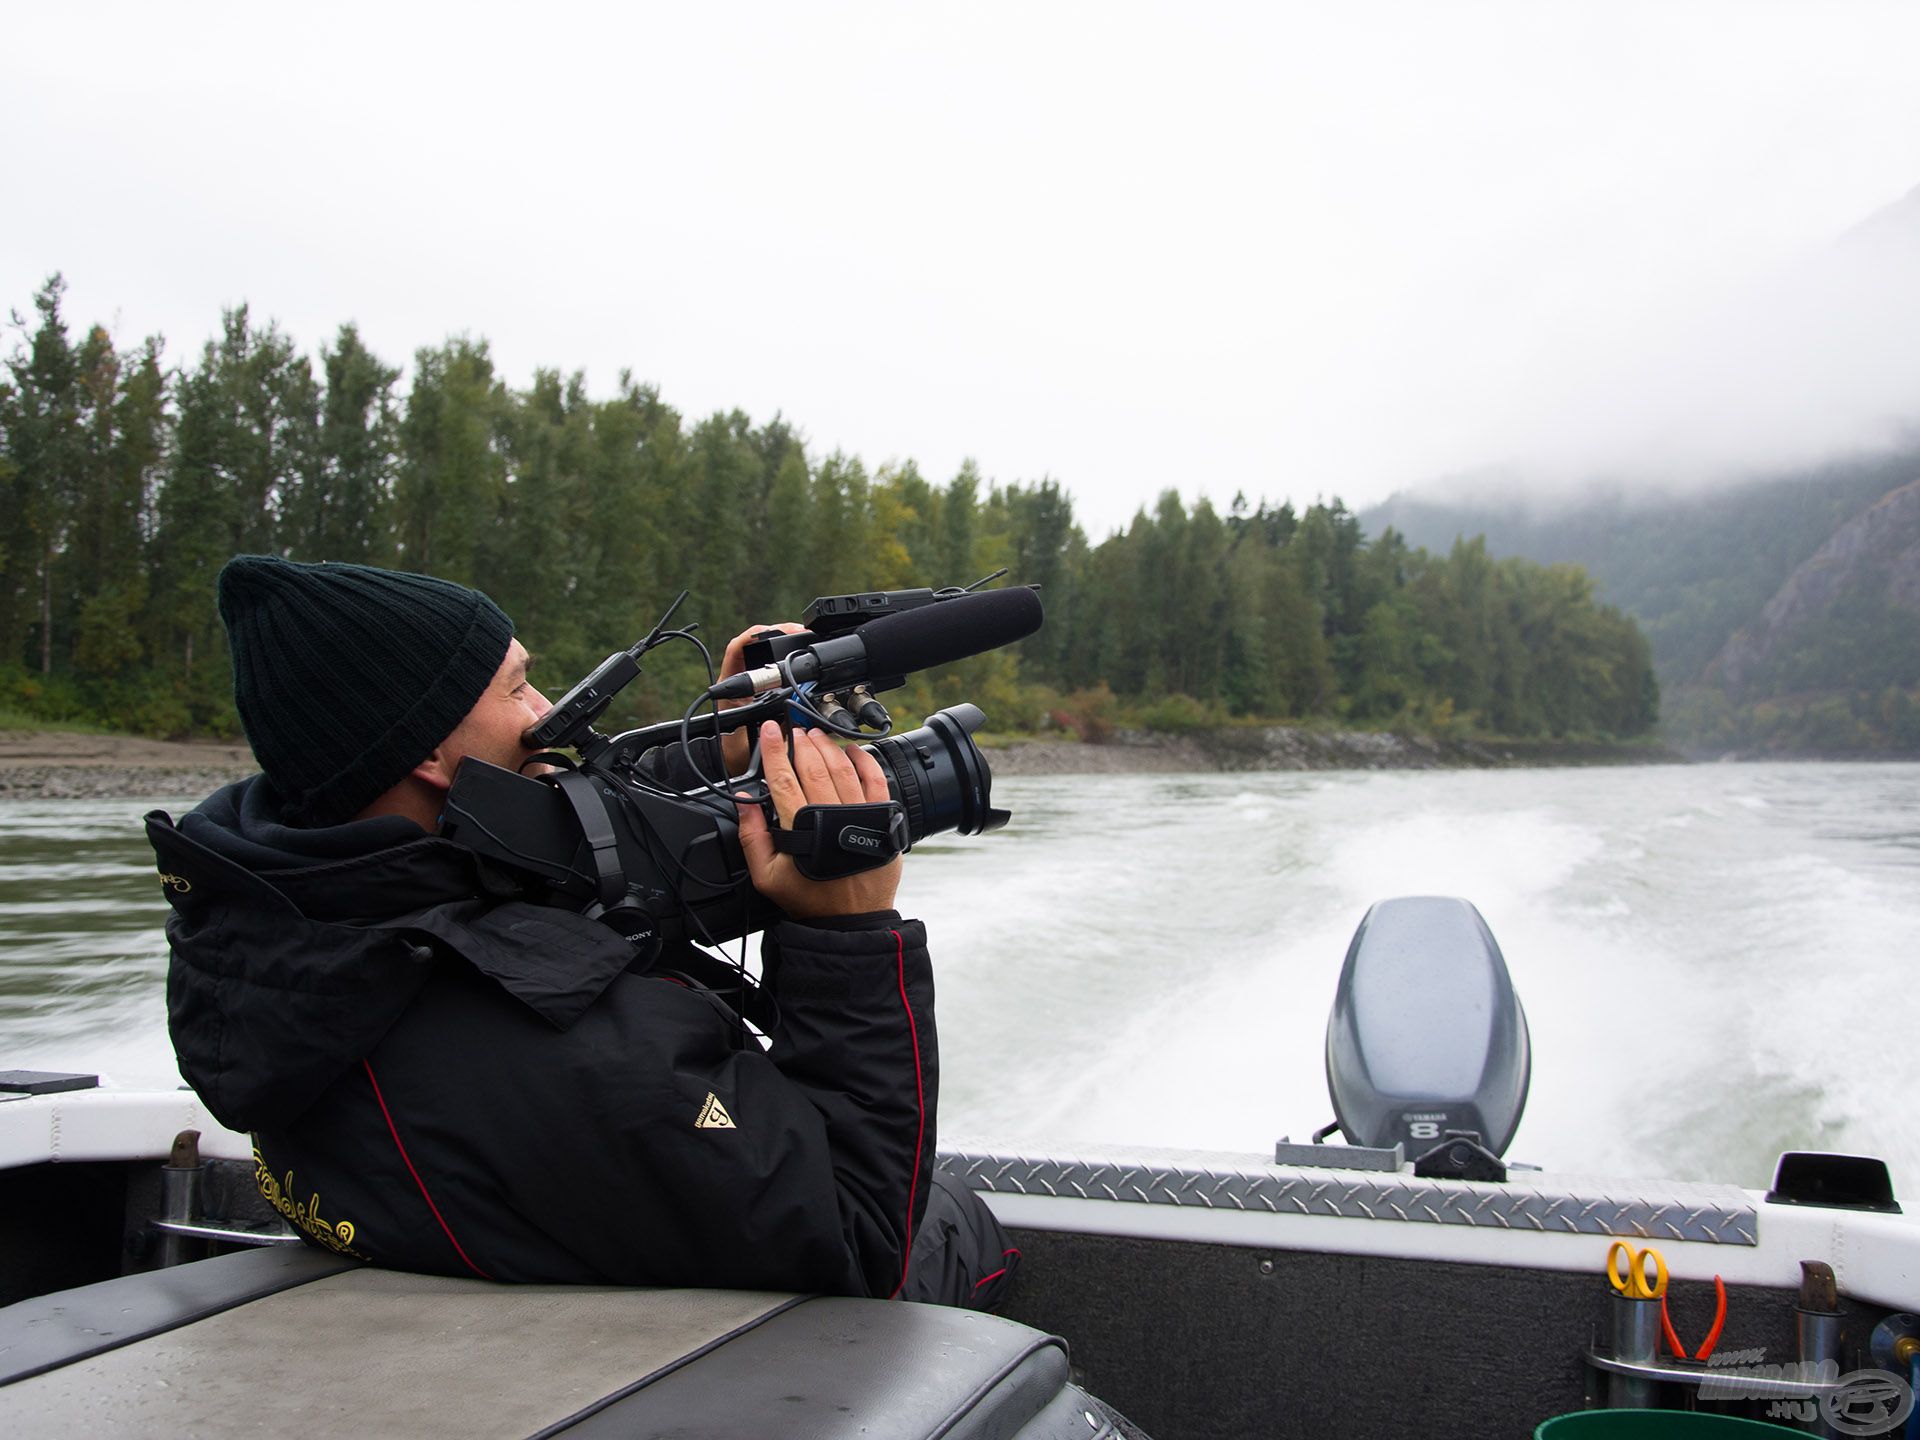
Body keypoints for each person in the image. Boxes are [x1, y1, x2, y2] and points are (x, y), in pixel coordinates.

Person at [146, 555, 1016, 1308]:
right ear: (426, 755)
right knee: (960, 1221)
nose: (546, 706)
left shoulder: (285, 918)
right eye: (517, 685)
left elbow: (551, 835)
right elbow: (864, 1240)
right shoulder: (575, 1053)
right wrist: (850, 933)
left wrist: (717, 748)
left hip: (437, 1224)